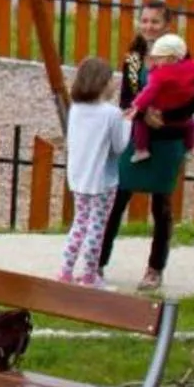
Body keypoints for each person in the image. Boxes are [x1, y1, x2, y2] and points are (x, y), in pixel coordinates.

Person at [99, 3, 194, 293]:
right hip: (138, 137)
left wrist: (167, 118)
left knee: (161, 207)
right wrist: (145, 115)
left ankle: (154, 268)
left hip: (170, 139)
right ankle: (97, 262)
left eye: (155, 22)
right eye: (144, 20)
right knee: (117, 200)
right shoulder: (134, 59)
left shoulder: (179, 58)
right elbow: (126, 99)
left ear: (167, 25)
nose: (148, 26)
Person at [59, 56, 125, 287]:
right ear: (103, 83)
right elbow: (120, 145)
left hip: (79, 178)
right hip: (103, 180)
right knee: (96, 228)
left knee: (79, 224)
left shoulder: (76, 109)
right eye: (111, 79)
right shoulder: (112, 114)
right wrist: (128, 124)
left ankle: (66, 271)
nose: (114, 84)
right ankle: (89, 275)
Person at [126, 33, 194, 163]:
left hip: (161, 111)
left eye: (158, 58)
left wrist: (137, 105)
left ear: (171, 58)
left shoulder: (159, 74)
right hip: (183, 115)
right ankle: (190, 149)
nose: (155, 61)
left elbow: (149, 92)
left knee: (140, 123)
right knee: (191, 126)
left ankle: (141, 150)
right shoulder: (192, 67)